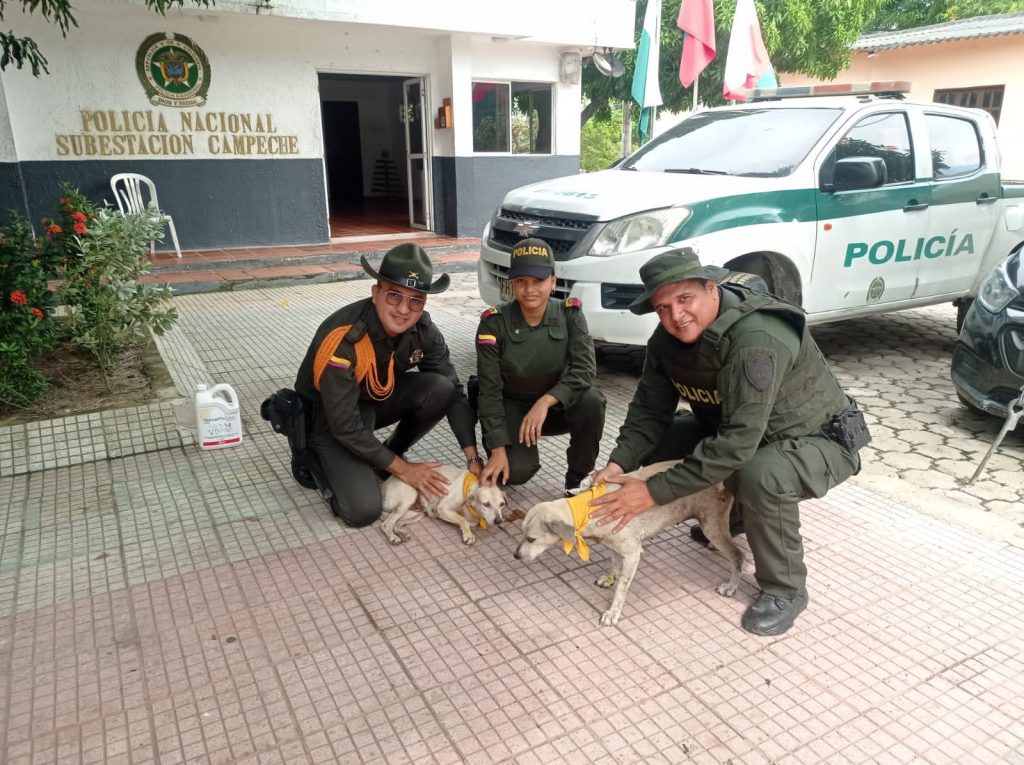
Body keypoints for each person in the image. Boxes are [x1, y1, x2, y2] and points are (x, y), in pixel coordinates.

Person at [588, 247, 870, 636]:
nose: (675, 316)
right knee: (664, 439)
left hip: (817, 442)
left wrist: (652, 492)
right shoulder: (668, 337)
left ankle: (785, 589)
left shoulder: (757, 337)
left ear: (711, 287)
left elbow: (737, 445)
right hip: (744, 433)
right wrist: (620, 463)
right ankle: (734, 515)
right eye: (663, 308)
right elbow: (649, 411)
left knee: (760, 474)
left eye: (685, 299)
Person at [294, 242, 482, 527]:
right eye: (394, 296)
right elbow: (344, 424)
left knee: (440, 387)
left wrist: (472, 459)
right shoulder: (344, 339)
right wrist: (404, 471)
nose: (404, 309)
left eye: (416, 300)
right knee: (363, 511)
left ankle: (388, 453)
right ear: (376, 292)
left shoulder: (423, 331)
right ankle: (313, 455)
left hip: (371, 403)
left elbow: (454, 394)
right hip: (329, 419)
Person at [475, 237, 606, 496]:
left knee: (592, 401)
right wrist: (498, 448)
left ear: (553, 282)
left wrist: (545, 402)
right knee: (515, 472)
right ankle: (500, 448)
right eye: (521, 281)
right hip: (512, 406)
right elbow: (489, 390)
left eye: (538, 281)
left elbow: (584, 370)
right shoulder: (494, 322)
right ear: (512, 283)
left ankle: (576, 478)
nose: (529, 289)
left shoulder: (570, 314)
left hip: (555, 408)